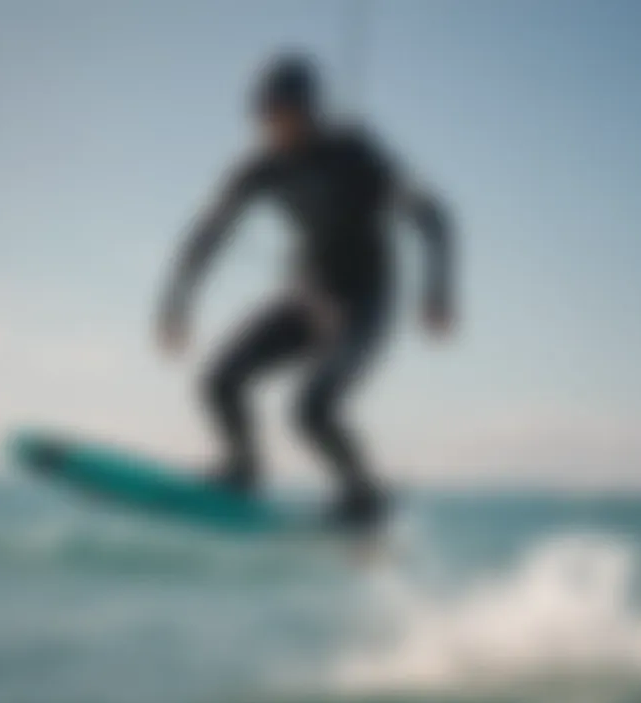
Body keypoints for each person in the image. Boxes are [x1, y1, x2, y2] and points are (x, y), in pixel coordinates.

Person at [156, 53, 456, 530]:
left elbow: (433, 215)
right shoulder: (260, 168)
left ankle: (363, 497)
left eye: (281, 113)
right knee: (218, 381)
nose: (271, 125)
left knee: (311, 409)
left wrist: (438, 292)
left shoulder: (354, 152)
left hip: (364, 303)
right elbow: (209, 234)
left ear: (308, 110)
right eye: (263, 114)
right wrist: (175, 304)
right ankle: (243, 470)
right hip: (309, 297)